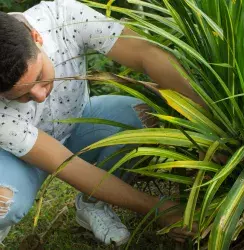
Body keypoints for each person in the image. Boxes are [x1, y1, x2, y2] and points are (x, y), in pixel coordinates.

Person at [0, 0, 202, 246]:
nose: (40, 96)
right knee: (3, 204)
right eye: (21, 96)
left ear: (36, 37)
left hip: (76, 123)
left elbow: (145, 53)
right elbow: (67, 165)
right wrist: (157, 207)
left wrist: (207, 120)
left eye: (40, 77)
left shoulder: (62, 16)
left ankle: (92, 204)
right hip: (16, 158)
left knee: (141, 115)